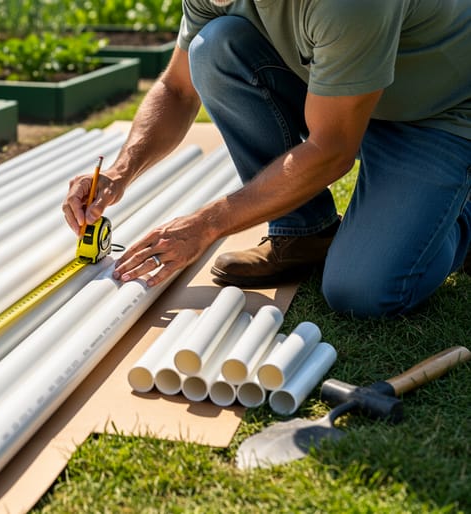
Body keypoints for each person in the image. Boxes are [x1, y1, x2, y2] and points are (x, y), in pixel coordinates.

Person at [62, 0, 470, 318]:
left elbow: (332, 151)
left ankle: (461, 212)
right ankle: (304, 234)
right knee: (215, 46)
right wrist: (119, 171)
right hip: (341, 92)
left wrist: (207, 224)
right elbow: (177, 90)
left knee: (364, 291)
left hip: (435, 114)